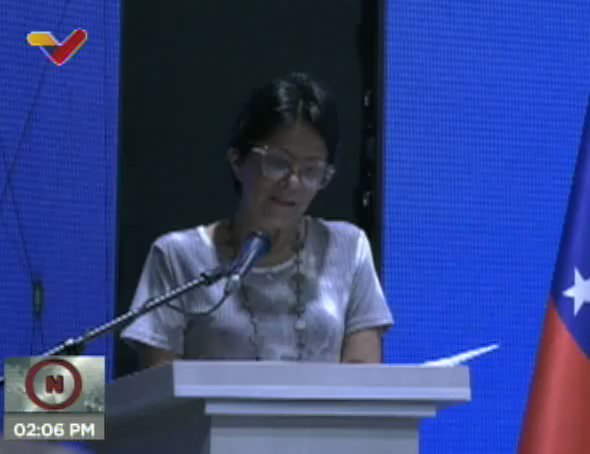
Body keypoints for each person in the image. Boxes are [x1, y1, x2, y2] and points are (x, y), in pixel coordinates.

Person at [120, 72, 394, 368]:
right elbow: (159, 386)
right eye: (278, 163)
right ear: (237, 161)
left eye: (311, 170)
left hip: (326, 404)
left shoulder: (347, 247)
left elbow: (363, 377)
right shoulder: (178, 257)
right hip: (208, 404)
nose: (293, 183)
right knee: (83, 390)